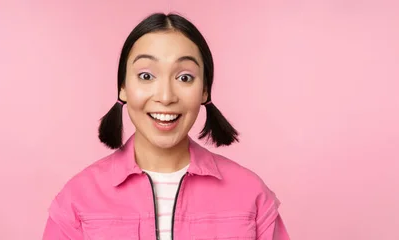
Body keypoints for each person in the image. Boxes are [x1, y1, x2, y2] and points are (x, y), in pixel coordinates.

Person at [42, 12, 290, 240]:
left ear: (204, 90)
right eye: (146, 76)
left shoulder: (251, 196)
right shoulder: (77, 200)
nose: (166, 96)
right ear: (123, 88)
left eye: (184, 77)